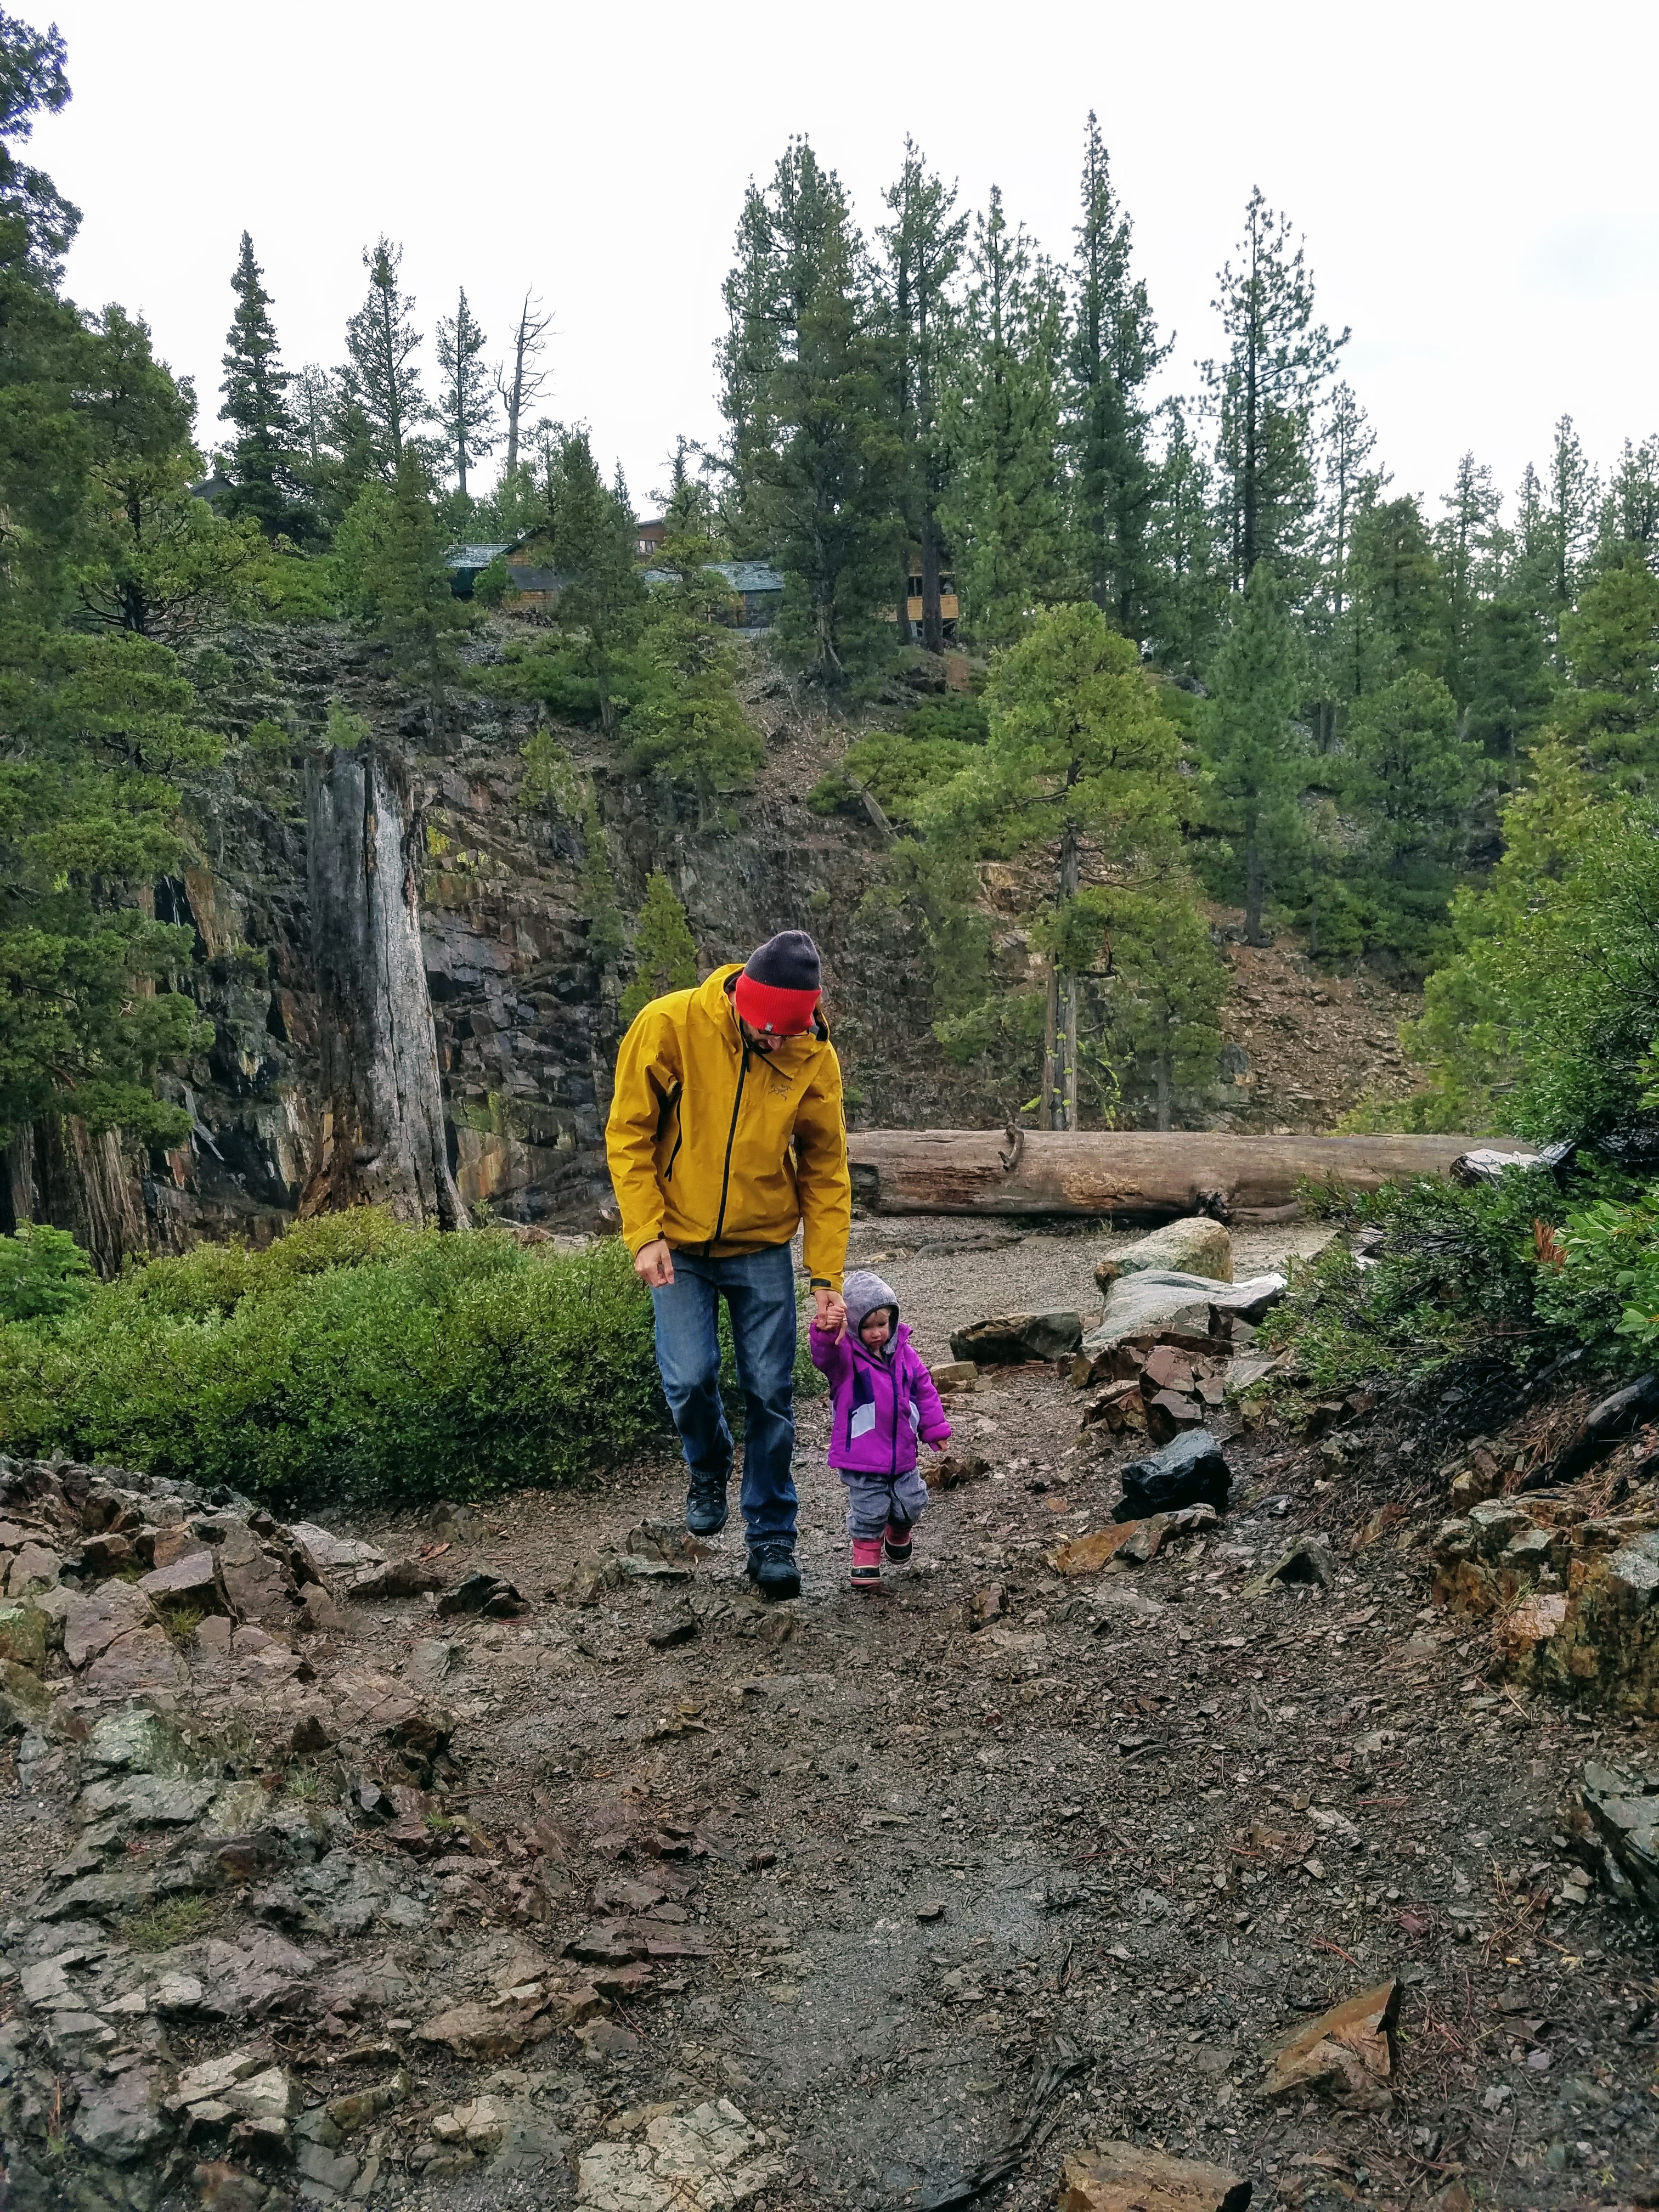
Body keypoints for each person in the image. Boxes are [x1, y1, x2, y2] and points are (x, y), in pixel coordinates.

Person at [605, 930, 850, 1601]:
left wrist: (826, 1275)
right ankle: (708, 1464)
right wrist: (644, 1233)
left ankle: (772, 1535)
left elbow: (826, 1167)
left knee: (772, 1392)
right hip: (677, 1244)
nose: (778, 1045)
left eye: (788, 1035)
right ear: (743, 999)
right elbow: (628, 1132)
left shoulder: (811, 1054)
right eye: (768, 1033)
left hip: (762, 1243)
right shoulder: (671, 1023)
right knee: (689, 1379)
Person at [809, 1267, 951, 1593]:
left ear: (893, 1320)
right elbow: (826, 1356)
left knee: (912, 1501)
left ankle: (899, 1532)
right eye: (868, 1327)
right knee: (870, 1510)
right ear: (855, 1328)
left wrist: (934, 1427)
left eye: (882, 1324)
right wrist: (826, 1332)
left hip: (902, 1451)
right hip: (862, 1453)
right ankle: (866, 1565)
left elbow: (924, 1389)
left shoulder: (905, 1354)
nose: (876, 1333)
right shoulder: (847, 1359)